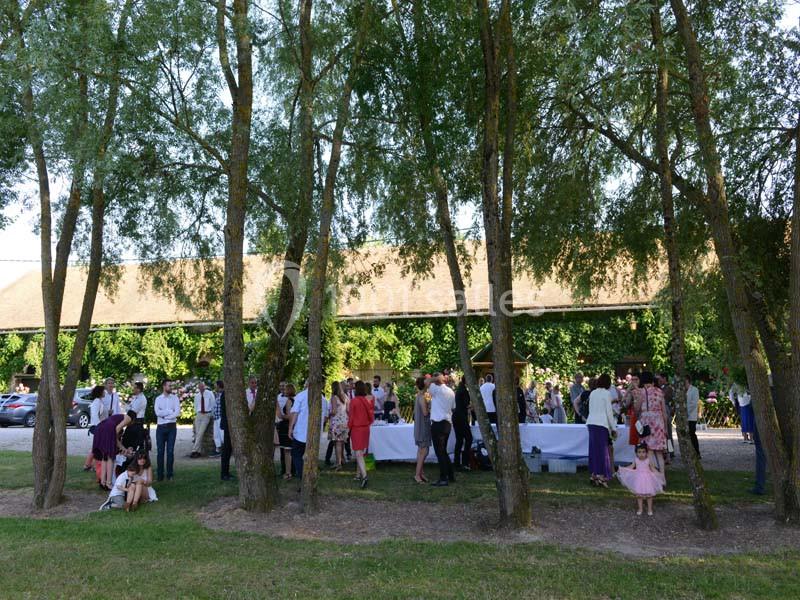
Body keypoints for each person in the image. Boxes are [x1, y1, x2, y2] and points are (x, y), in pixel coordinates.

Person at [616, 443, 665, 516]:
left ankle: (650, 509)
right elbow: (631, 466)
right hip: (639, 479)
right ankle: (640, 508)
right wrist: (623, 469)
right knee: (639, 495)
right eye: (639, 452)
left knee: (649, 495)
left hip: (648, 479)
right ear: (636, 453)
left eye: (643, 452)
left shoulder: (648, 460)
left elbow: (652, 468)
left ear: (646, 453)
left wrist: (659, 474)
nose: (641, 454)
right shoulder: (636, 460)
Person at [634, 371, 668, 473]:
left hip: (647, 423)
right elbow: (664, 412)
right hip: (659, 423)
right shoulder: (660, 392)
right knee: (659, 453)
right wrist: (665, 427)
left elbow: (636, 409)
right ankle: (662, 477)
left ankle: (654, 477)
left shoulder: (642, 392)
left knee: (649, 450)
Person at [586, 373, 617, 487]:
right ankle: (602, 476)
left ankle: (594, 474)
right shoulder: (607, 394)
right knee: (603, 451)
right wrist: (613, 428)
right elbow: (609, 412)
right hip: (601, 424)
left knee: (594, 450)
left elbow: (591, 409)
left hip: (591, 423)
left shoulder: (593, 393)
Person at [92, 410, 136, 490]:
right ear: (133, 419)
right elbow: (116, 429)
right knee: (110, 458)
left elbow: (115, 435)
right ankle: (109, 483)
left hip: (101, 427)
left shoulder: (119, 417)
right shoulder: (128, 418)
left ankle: (103, 482)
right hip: (108, 428)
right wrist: (114, 440)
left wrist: (123, 448)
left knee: (104, 457)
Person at [427, 372, 456, 487]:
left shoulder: (435, 389)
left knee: (440, 452)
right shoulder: (451, 391)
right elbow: (453, 408)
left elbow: (426, 382)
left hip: (438, 424)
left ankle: (443, 478)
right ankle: (450, 475)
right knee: (443, 451)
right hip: (447, 424)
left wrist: (436, 378)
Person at [348, 380, 374, 488]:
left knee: (358, 453)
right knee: (361, 453)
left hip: (357, 429)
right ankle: (359, 474)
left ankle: (364, 476)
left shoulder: (353, 401)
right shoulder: (366, 400)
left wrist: (348, 428)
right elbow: (371, 417)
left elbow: (351, 417)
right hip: (365, 428)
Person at [154, 380, 181, 482]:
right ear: (164, 386)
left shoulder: (175, 398)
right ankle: (160, 475)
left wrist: (166, 415)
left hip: (171, 427)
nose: (171, 387)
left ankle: (170, 474)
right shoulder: (158, 399)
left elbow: (177, 412)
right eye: (169, 386)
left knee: (170, 451)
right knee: (160, 452)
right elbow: (157, 412)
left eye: (171, 385)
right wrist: (170, 412)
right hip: (160, 427)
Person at [288, 381, 310, 480]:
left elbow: (294, 413)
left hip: (301, 433)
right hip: (312, 435)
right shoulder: (322, 398)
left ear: (307, 385)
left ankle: (303, 477)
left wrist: (290, 428)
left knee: (296, 454)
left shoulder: (301, 396)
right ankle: (307, 476)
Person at [84, 385, 108, 472]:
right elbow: (95, 415)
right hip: (97, 427)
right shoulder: (97, 402)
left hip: (99, 426)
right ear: (100, 392)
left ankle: (90, 465)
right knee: (97, 447)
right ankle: (89, 465)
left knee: (97, 447)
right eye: (103, 391)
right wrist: (100, 427)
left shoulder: (99, 401)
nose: (105, 392)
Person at [327, 381, 349, 470]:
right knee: (341, 443)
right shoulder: (345, 396)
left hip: (336, 423)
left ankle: (338, 463)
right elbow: (348, 410)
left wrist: (328, 414)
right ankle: (341, 460)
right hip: (345, 422)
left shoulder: (334, 397)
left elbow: (334, 411)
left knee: (337, 444)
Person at [413, 376, 432, 483]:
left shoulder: (423, 395)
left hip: (422, 425)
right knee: (423, 451)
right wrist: (431, 408)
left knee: (422, 451)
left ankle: (420, 472)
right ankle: (417, 475)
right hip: (423, 426)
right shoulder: (421, 396)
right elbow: (425, 412)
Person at [191, 381, 216, 458]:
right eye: (200, 387)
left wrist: (211, 415)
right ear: (198, 387)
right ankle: (198, 452)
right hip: (199, 414)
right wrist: (197, 413)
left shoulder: (209, 393)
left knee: (201, 432)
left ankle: (194, 450)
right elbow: (195, 406)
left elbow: (213, 404)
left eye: (203, 386)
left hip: (207, 414)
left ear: (204, 386)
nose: (201, 388)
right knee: (198, 433)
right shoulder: (197, 395)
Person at [452, 379, 472, 471]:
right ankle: (465, 462)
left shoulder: (459, 389)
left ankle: (456, 463)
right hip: (461, 417)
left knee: (459, 440)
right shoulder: (464, 391)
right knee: (469, 438)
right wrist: (474, 405)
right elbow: (466, 405)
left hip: (456, 417)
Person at [276, 383, 295, 479]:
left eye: (286, 389)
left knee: (287, 451)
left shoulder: (289, 401)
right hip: (292, 427)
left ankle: (288, 473)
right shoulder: (296, 399)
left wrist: (280, 415)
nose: (284, 390)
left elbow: (290, 416)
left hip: (287, 427)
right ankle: (290, 471)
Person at [217, 380, 234, 481]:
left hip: (228, 424)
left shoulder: (225, 394)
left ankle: (226, 472)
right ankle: (224, 474)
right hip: (228, 425)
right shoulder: (225, 395)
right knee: (226, 450)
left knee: (228, 450)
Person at [685, 376, 701, 458]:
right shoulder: (682, 390)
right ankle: (688, 452)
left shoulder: (694, 390)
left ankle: (697, 452)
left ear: (687, 380)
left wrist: (686, 412)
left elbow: (694, 403)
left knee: (692, 433)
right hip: (684, 417)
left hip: (691, 416)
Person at [211, 381, 223, 457]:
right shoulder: (217, 395)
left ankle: (224, 450)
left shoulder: (223, 394)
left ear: (219, 386)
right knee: (216, 435)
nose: (215, 387)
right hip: (216, 417)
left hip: (220, 417)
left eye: (215, 386)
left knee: (222, 434)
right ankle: (218, 450)